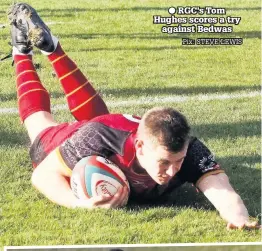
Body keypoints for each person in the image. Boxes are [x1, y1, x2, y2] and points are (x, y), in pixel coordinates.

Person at [7, 2, 259, 230]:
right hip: (89, 136)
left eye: (178, 161)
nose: (172, 172)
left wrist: (239, 218)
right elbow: (42, 176)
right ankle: (22, 52)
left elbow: (222, 191)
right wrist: (78, 204)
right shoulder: (96, 138)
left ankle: (52, 47)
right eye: (164, 162)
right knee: (38, 124)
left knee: (102, 122)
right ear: (140, 147)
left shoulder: (191, 150)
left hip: (108, 128)